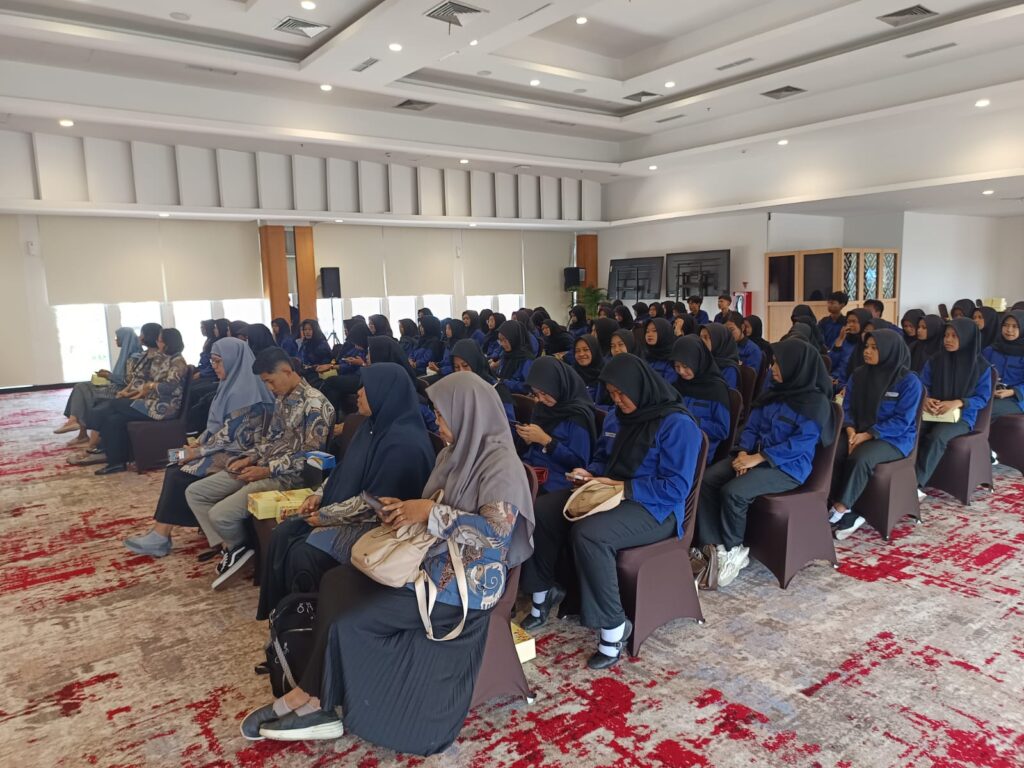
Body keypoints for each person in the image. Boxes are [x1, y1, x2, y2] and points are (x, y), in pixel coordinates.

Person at [244, 372, 534, 753]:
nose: (437, 422)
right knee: (336, 583)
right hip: (428, 558)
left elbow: (495, 535)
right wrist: (404, 511)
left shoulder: (500, 466)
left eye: (442, 415)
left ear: (468, 414)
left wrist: (429, 513)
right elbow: (434, 507)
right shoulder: (454, 453)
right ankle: (314, 693)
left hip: (462, 583)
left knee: (352, 619)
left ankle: (316, 702)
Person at [518, 354, 702, 668]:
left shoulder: (678, 425)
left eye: (622, 393)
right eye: (612, 394)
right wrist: (589, 473)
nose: (617, 400)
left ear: (640, 387)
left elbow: (675, 488)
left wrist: (624, 488)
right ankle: (541, 593)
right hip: (610, 492)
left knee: (590, 534)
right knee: (543, 510)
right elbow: (603, 456)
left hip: (655, 508)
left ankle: (614, 627)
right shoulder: (617, 418)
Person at [255, 363, 435, 619]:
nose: (357, 392)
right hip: (345, 510)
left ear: (384, 392)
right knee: (284, 532)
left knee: (303, 551)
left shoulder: (404, 443)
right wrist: (319, 495)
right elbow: (343, 469)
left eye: (366, 387)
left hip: (378, 525)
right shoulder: (370, 426)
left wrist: (326, 516)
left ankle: (308, 619)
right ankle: (282, 615)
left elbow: (377, 504)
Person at [185, 348, 335, 589]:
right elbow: (271, 439)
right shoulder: (283, 398)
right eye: (265, 382)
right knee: (195, 493)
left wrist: (266, 470)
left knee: (220, 515)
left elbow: (312, 458)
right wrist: (250, 458)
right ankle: (233, 549)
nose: (268, 388)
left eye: (270, 381)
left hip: (290, 478)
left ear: (287, 371)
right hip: (264, 466)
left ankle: (239, 549)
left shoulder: (315, 404)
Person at [696, 339, 834, 587]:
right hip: (755, 457)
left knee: (734, 492)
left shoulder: (815, 403)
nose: (773, 368)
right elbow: (752, 426)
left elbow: (799, 444)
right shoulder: (774, 392)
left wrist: (757, 459)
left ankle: (734, 549)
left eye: (779, 364)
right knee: (707, 480)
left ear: (796, 367)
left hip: (787, 467)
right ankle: (714, 545)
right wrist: (743, 452)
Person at [123, 338, 275, 557]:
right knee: (173, 459)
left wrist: (196, 452)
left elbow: (228, 435)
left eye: (218, 361)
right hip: (220, 448)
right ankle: (161, 532)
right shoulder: (229, 384)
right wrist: (197, 442)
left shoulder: (245, 392)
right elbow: (214, 428)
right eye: (212, 361)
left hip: (239, 454)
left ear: (233, 360)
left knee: (178, 473)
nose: (214, 366)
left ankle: (161, 535)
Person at [828, 330, 923, 540]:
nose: (867, 352)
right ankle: (831, 499)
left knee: (861, 457)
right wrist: (851, 431)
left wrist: (868, 435)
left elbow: (902, 421)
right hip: (858, 431)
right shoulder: (859, 375)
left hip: (894, 438)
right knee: (831, 450)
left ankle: (842, 508)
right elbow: (848, 407)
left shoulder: (908, 381)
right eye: (866, 347)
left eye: (874, 348)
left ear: (889, 351)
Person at [93, 329, 188, 476]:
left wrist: (151, 386)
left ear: (167, 343)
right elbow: (144, 380)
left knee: (113, 405)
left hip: (163, 408)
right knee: (113, 419)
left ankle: (96, 433)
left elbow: (168, 387)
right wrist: (136, 391)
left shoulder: (178, 362)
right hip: (150, 402)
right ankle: (116, 462)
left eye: (160, 341)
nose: (158, 343)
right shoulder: (163, 358)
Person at [916, 318, 993, 495]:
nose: (948, 340)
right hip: (933, 411)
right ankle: (903, 476)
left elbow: (983, 398)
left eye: (954, 336)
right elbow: (922, 385)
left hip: (962, 416)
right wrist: (926, 399)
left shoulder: (981, 366)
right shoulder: (935, 360)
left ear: (967, 338)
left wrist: (958, 402)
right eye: (946, 335)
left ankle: (916, 484)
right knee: (912, 430)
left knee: (937, 437)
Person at [518, 357, 596, 493]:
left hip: (557, 482)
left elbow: (579, 463)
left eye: (544, 393)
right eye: (536, 394)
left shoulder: (578, 415)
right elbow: (530, 452)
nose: (541, 399)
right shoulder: (542, 408)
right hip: (531, 472)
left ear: (558, 385)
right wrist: (527, 439)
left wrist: (547, 441)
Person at [56, 327, 143, 443]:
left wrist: (109, 376)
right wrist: (108, 375)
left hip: (119, 391)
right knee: (80, 387)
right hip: (115, 386)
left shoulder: (134, 357)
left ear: (124, 339)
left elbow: (131, 381)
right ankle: (77, 426)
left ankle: (76, 425)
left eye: (118, 337)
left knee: (82, 391)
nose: (116, 340)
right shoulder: (126, 354)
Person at [670, 336, 731, 463]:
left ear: (698, 361)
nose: (681, 371)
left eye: (685, 366)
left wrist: (694, 422)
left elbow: (722, 431)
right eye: (677, 366)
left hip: (697, 451)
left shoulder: (716, 389)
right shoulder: (677, 385)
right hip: (674, 441)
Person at [365, 335, 439, 432]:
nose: (366, 357)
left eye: (369, 353)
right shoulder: (381, 387)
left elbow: (435, 430)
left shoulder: (409, 402)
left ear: (380, 357)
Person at [449, 338, 516, 423]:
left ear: (475, 363)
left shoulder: (497, 391)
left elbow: (509, 426)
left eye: (465, 365)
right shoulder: (457, 389)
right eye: (456, 367)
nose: (461, 372)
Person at [984, 311, 1024, 424]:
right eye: (1005, 325)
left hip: (1017, 398)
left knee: (985, 410)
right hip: (991, 392)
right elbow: (979, 373)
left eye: (1015, 326)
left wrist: (1013, 391)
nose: (1009, 330)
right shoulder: (991, 350)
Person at [829, 308, 873, 392]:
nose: (850, 325)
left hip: (850, 385)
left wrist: (841, 384)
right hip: (835, 381)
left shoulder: (867, 345)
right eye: (848, 322)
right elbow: (831, 363)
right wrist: (839, 341)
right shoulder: (844, 339)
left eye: (854, 321)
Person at [493, 320, 535, 394]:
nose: (502, 344)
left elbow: (527, 387)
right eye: (500, 340)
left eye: (505, 340)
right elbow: (500, 374)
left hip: (516, 398)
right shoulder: (506, 354)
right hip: (502, 392)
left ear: (514, 338)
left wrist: (504, 383)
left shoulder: (526, 359)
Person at [700, 323, 740, 388]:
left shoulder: (729, 369)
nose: (701, 341)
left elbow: (726, 392)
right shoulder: (706, 359)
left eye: (705, 337)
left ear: (718, 340)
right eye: (700, 337)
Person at [642, 317, 678, 385]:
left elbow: (667, 387)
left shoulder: (672, 361)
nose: (649, 334)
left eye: (654, 331)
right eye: (647, 331)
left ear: (664, 333)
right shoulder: (646, 354)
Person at [573, 335, 606, 405]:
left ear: (594, 350)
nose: (581, 354)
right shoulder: (571, 374)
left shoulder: (606, 375)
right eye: (577, 351)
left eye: (585, 350)